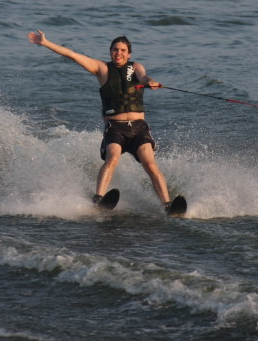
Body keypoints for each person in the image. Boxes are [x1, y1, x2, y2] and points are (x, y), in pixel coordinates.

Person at [27, 29, 172, 211]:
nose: (118, 53)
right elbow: (72, 55)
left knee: (150, 164)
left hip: (138, 127)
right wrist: (46, 43)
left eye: (122, 50)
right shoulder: (102, 69)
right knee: (112, 158)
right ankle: (98, 199)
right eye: (115, 50)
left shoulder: (136, 67)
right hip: (115, 128)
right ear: (110, 51)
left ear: (129, 54)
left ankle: (167, 205)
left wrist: (151, 81)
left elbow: (144, 77)